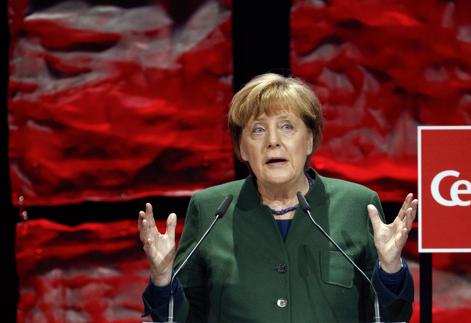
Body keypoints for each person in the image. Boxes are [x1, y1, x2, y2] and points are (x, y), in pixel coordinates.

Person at [138, 73, 417, 322]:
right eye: (258, 130)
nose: (273, 141)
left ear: (309, 141)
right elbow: (182, 319)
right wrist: (162, 279)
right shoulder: (210, 209)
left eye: (287, 127)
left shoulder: (357, 205)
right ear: (242, 149)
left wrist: (390, 269)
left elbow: (391, 318)